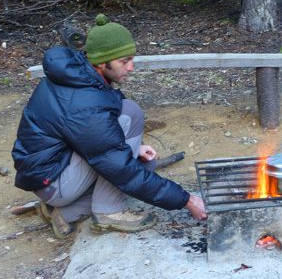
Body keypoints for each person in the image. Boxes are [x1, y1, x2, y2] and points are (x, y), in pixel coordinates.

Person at [11, 14, 207, 238]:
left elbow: (96, 138)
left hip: (51, 169)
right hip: (52, 181)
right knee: (129, 128)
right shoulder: (84, 103)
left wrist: (136, 147)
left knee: (144, 163)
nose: (131, 67)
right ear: (102, 63)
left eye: (132, 59)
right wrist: (187, 200)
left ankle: (65, 212)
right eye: (124, 61)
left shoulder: (80, 75)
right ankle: (108, 212)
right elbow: (118, 167)